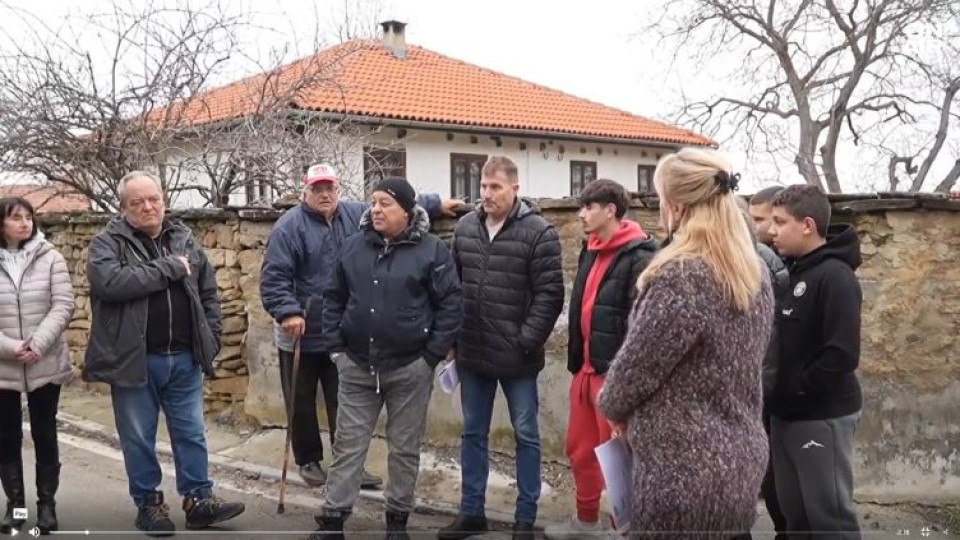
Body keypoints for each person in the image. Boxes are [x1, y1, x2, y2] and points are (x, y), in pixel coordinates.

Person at [596, 148, 774, 538]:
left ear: (675, 206)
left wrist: (610, 406)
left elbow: (634, 372)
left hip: (682, 472)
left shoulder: (682, 275)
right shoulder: (753, 269)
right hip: (739, 461)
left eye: (661, 198)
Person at [259, 163, 456, 489]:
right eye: (317, 188)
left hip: (342, 333)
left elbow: (396, 205)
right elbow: (274, 278)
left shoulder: (354, 214)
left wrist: (435, 204)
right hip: (301, 332)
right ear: (305, 191)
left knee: (345, 406)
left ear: (338, 189)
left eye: (330, 188)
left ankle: (348, 466)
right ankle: (308, 460)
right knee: (301, 400)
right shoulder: (288, 227)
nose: (325, 194)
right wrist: (288, 311)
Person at [83, 171, 245, 536]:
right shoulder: (107, 243)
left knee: (191, 432)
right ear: (123, 208)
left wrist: (211, 337)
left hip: (184, 358)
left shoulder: (183, 237)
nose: (147, 206)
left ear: (163, 198)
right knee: (138, 435)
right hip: (133, 359)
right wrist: (168, 268)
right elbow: (111, 284)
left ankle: (199, 500)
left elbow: (208, 292)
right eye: (137, 202)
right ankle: (149, 504)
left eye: (153, 198)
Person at [311, 177, 462, 540]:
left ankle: (397, 521)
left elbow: (451, 305)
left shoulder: (432, 251)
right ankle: (333, 520)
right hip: (357, 365)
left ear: (407, 211)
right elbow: (331, 299)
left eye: (385, 204)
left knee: (405, 448)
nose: (376, 209)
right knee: (348, 444)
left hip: (410, 368)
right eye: (373, 202)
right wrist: (337, 350)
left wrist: (429, 357)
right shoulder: (353, 247)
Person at [439, 156, 564, 540]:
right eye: (483, 186)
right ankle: (471, 511)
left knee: (526, 435)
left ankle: (524, 519)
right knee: (472, 434)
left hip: (518, 359)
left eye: (495, 187)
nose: (487, 194)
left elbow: (549, 296)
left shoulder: (539, 232)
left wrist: (525, 340)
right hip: (473, 353)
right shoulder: (464, 228)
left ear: (515, 189)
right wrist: (452, 341)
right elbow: (453, 288)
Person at [544, 180, 657, 539]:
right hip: (585, 370)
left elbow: (640, 325)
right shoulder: (589, 249)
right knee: (580, 451)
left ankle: (625, 529)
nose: (581, 214)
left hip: (615, 376)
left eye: (589, 207)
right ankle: (586, 522)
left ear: (611, 210)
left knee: (621, 460)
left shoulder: (641, 256)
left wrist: (627, 383)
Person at [768, 184, 863, 539]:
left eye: (780, 222)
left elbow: (842, 353)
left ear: (807, 224)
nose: (771, 230)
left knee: (829, 519)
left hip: (820, 415)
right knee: (795, 518)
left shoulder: (836, 277)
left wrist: (798, 387)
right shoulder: (791, 272)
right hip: (785, 415)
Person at [0, 197, 75, 535]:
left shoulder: (51, 258)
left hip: (44, 359)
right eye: (16, 218)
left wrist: (37, 344)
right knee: (6, 436)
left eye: (29, 217)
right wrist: (11, 347)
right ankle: (15, 506)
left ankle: (47, 504)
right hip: (4, 364)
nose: (25, 224)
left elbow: (63, 304)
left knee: (45, 432)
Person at [747, 186, 790, 539]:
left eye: (763, 219)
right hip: (766, 389)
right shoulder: (770, 260)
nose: (760, 228)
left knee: (775, 476)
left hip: (771, 392)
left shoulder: (764, 262)